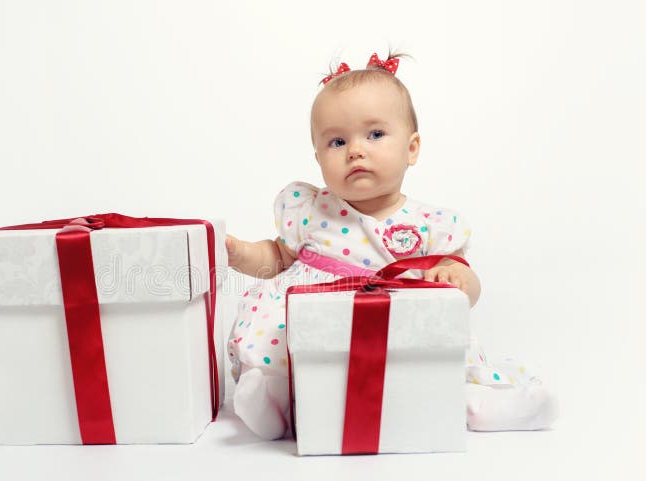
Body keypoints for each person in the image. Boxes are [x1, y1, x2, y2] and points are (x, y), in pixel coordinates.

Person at [225, 52, 558, 440]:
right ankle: (276, 401)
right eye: (336, 141)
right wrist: (241, 253)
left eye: (376, 134)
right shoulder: (312, 209)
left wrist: (456, 279)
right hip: (318, 319)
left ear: (412, 148)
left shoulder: (430, 224)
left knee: (439, 362)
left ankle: (484, 403)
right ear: (318, 159)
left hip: (401, 326)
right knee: (287, 347)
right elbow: (277, 257)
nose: (355, 150)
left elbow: (466, 278)